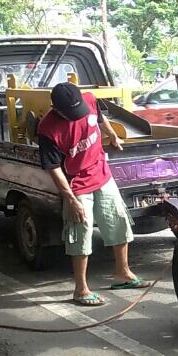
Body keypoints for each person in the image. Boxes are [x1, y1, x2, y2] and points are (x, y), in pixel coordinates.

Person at [37, 82, 145, 306]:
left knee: (118, 220)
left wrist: (113, 135)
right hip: (76, 184)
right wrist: (71, 199)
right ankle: (81, 289)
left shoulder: (88, 99)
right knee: (81, 231)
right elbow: (53, 168)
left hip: (101, 173)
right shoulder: (48, 129)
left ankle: (123, 274)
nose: (77, 116)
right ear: (56, 109)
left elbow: (99, 118)